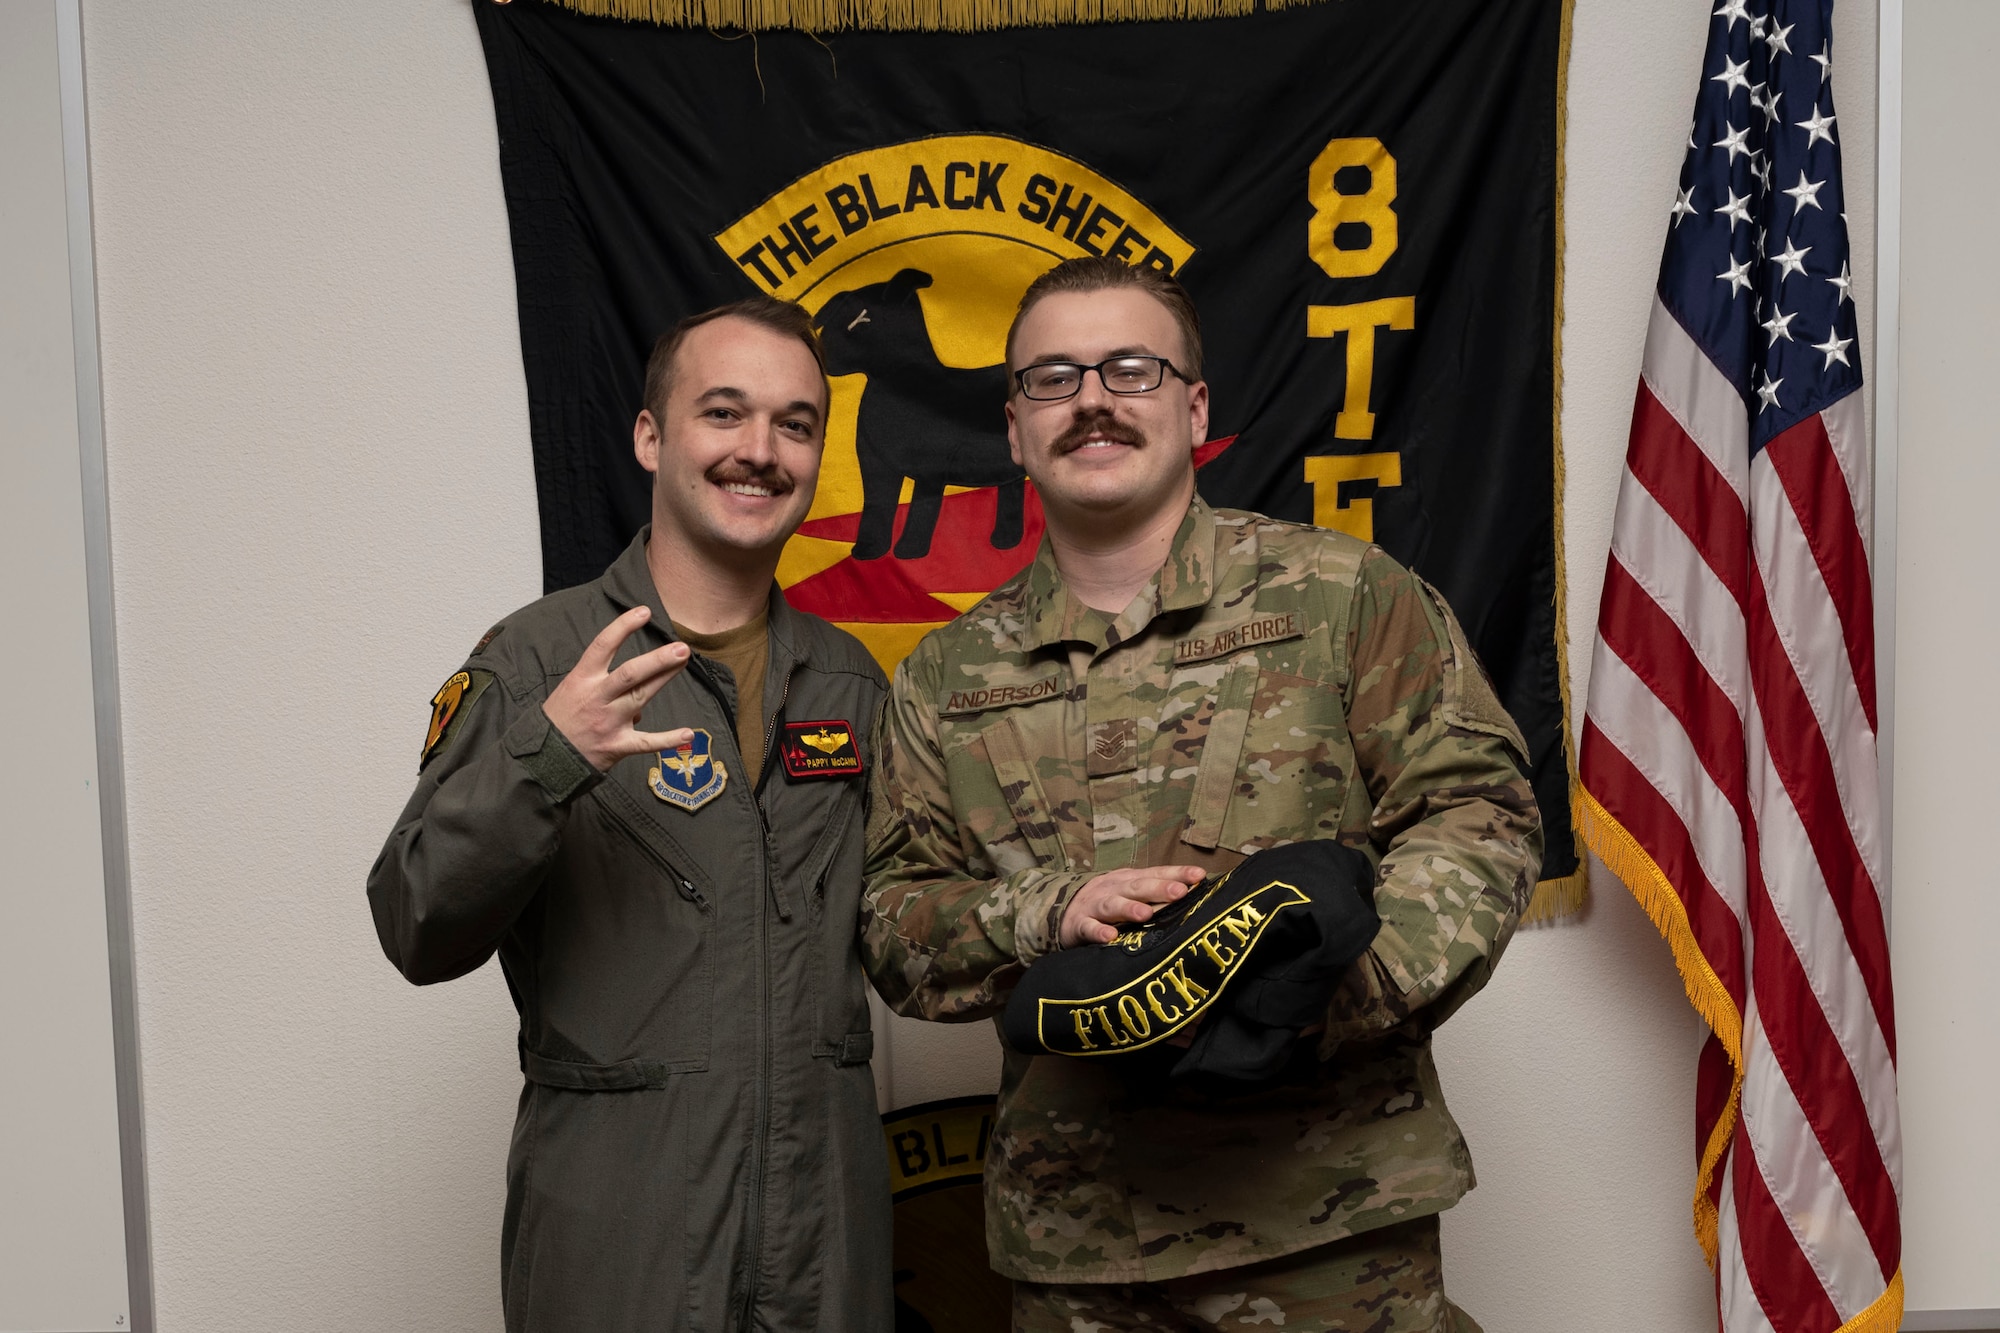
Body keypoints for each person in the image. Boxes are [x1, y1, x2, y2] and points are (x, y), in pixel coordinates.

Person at [861, 257, 1542, 1332]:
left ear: (1192, 405)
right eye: (1052, 377)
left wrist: (1313, 995)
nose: (1090, 398)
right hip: (1073, 1245)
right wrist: (1040, 912)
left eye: (1128, 368)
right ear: (1011, 427)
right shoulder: (945, 677)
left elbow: (1479, 815)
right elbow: (894, 920)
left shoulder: (1341, 594)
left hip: (1328, 1227)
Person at [369, 297, 891, 1332]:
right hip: (622, 1230)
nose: (759, 450)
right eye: (724, 413)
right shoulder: (535, 658)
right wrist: (545, 758)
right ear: (651, 436)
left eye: (793, 424)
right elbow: (415, 924)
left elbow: (914, 928)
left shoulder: (846, 679)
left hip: (822, 1228)